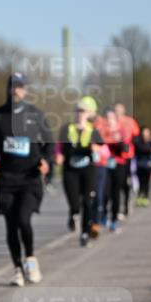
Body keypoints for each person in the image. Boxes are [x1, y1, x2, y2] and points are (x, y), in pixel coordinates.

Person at [0, 72, 53, 286]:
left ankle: (30, 258)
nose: (16, 90)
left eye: (20, 86)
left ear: (26, 90)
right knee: (11, 226)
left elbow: (49, 143)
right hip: (6, 178)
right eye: (13, 86)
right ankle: (17, 269)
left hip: (30, 178)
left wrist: (46, 162)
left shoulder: (35, 115)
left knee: (24, 219)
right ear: (8, 89)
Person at [55, 97, 102, 246]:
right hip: (71, 170)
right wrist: (58, 156)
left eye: (83, 111)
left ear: (88, 114)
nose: (80, 114)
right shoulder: (67, 129)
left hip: (88, 170)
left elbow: (101, 149)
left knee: (88, 202)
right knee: (74, 202)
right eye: (78, 111)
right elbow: (60, 147)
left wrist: (97, 151)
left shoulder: (93, 131)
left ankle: (84, 233)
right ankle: (73, 214)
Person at [96, 108, 131, 232]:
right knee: (105, 192)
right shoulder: (102, 131)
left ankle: (114, 219)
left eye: (112, 118)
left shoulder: (121, 130)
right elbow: (97, 144)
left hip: (118, 164)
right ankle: (104, 215)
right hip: (104, 164)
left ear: (115, 119)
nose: (110, 121)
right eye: (108, 118)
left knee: (116, 192)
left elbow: (126, 149)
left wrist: (119, 141)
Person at [113, 103, 140, 217]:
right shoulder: (111, 122)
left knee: (125, 182)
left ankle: (126, 203)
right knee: (116, 183)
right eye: (116, 111)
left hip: (128, 156)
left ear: (124, 111)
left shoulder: (130, 121)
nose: (117, 113)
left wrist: (131, 145)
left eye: (119, 111)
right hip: (114, 157)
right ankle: (117, 207)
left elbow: (137, 136)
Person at [133, 126, 151, 206]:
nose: (145, 136)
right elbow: (140, 150)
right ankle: (140, 196)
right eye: (144, 134)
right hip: (139, 165)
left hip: (148, 166)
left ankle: (146, 197)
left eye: (147, 134)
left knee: (147, 182)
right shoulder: (138, 142)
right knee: (140, 182)